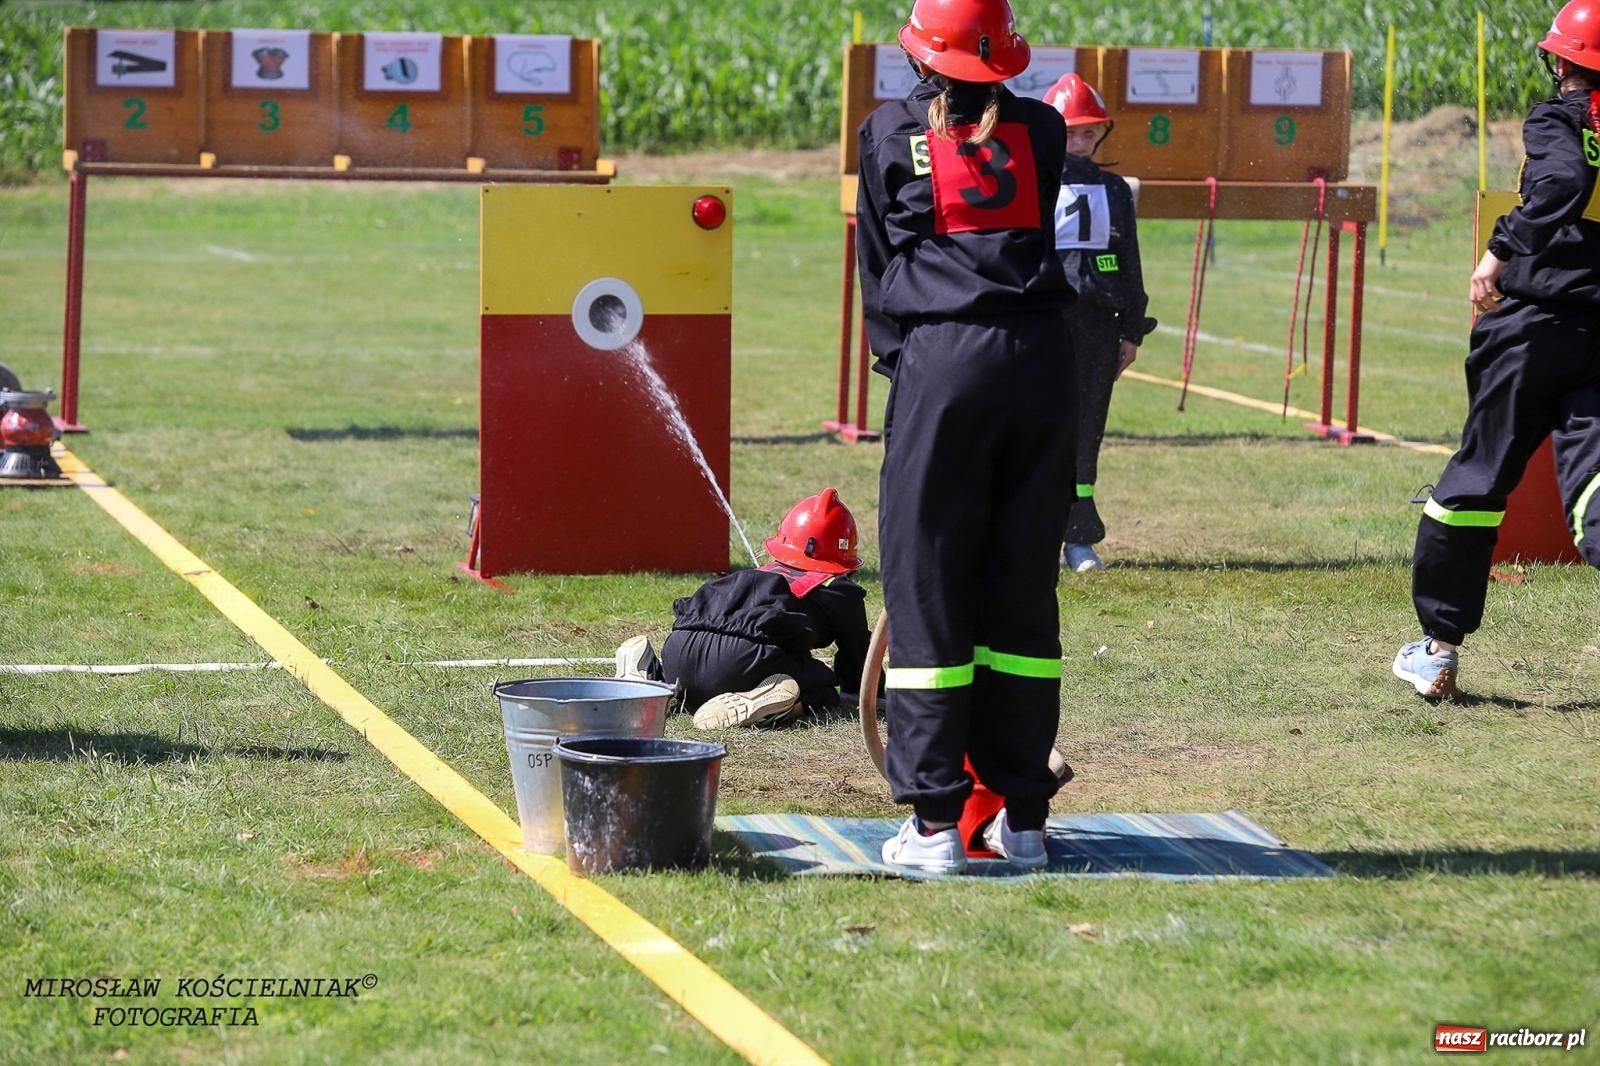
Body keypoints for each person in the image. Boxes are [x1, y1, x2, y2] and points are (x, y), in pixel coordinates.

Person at [856, 0, 1076, 873]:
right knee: (1020, 592)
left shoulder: (885, 131)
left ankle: (936, 823)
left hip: (947, 359)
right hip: (1042, 362)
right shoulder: (1048, 130)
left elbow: (883, 260)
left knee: (930, 587)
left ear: (922, 54)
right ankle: (1023, 819)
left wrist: (902, 367)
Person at [1393, 0, 1600, 701]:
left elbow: (1563, 183)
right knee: (1595, 485)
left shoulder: (1559, 118)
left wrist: (1499, 250)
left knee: (1475, 483)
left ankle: (1438, 648)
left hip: (1537, 328)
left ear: (1560, 60)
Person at [614, 488, 871, 729]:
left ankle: (655, 680)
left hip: (680, 649)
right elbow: (860, 664)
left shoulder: (762, 573)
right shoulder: (839, 591)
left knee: (696, 682)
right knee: (825, 688)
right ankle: (773, 703)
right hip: (741, 660)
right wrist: (873, 694)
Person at [1043, 73, 1157, 573]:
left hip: (1098, 329)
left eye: (1089, 133)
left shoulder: (1114, 189)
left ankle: (1079, 537)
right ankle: (1031, 534)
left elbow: (1128, 262)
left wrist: (1131, 331)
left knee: (1087, 430)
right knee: (1039, 429)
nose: (1080, 143)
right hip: (1045, 325)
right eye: (1070, 133)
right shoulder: (1035, 183)